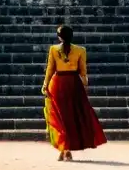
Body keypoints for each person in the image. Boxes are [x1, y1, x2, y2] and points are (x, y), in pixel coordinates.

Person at [41, 24, 107, 161]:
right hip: (73, 84)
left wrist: (45, 84)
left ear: (59, 37)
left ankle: (63, 148)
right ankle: (66, 149)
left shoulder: (53, 49)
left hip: (57, 84)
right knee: (72, 118)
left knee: (60, 118)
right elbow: (83, 72)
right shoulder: (81, 50)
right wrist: (84, 86)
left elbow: (50, 69)